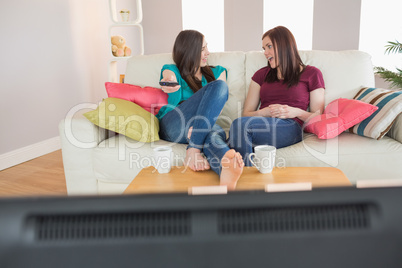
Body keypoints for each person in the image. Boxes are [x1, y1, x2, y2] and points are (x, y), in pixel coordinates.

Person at [157, 30, 244, 189]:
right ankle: (193, 151)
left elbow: (218, 101)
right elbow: (167, 79)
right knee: (209, 126)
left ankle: (225, 167)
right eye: (202, 49)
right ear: (189, 50)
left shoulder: (218, 72)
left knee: (215, 132)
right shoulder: (172, 69)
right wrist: (168, 83)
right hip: (175, 123)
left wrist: (197, 128)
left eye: (207, 48)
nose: (208, 53)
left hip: (204, 124)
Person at [229, 26, 325, 166]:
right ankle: (244, 174)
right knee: (236, 127)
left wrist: (294, 112)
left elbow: (318, 116)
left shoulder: (312, 73)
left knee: (239, 128)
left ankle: (243, 179)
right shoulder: (261, 75)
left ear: (284, 45)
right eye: (263, 48)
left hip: (290, 126)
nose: (265, 53)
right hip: (261, 124)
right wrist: (263, 112)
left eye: (269, 47)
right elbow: (246, 113)